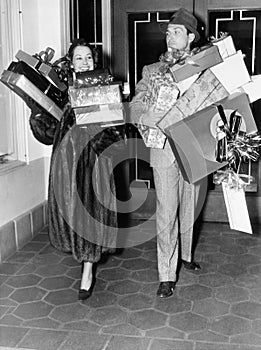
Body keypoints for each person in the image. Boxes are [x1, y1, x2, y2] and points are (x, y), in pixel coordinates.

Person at [28, 39, 124, 300]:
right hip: (65, 164)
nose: (85, 63)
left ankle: (88, 269)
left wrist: (94, 123)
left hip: (94, 164)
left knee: (91, 212)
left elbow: (117, 137)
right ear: (71, 63)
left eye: (89, 58)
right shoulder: (61, 93)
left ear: (95, 62)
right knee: (70, 212)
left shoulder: (105, 92)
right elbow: (47, 134)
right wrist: (36, 111)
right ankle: (83, 260)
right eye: (79, 58)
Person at [130, 8, 201, 298]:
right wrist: (154, 115)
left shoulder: (202, 69)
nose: (170, 37)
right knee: (167, 212)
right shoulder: (151, 71)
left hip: (196, 147)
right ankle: (166, 274)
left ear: (191, 37)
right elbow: (134, 107)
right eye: (168, 32)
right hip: (163, 148)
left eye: (177, 32)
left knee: (190, 206)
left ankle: (186, 256)